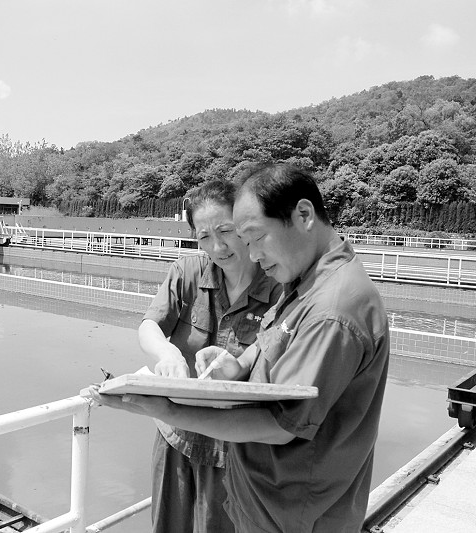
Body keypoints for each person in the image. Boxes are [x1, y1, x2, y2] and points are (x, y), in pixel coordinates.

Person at [90, 163, 389, 532]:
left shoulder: (329, 308)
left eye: (250, 236)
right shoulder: (302, 283)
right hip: (246, 484)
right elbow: (272, 340)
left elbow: (281, 425)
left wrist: (166, 408)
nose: (251, 253)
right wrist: (236, 363)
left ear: (304, 215)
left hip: (288, 508)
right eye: (204, 237)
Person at [139, 179, 282, 533]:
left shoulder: (278, 287)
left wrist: (240, 367)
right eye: (204, 236)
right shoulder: (186, 273)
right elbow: (149, 326)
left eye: (226, 231)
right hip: (175, 434)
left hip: (234, 447)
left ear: (244, 224)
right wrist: (167, 351)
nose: (217, 246)